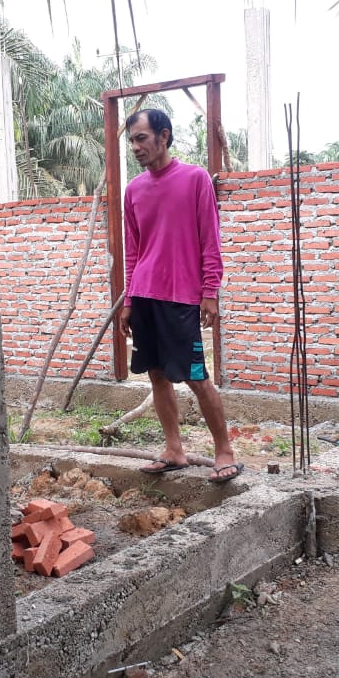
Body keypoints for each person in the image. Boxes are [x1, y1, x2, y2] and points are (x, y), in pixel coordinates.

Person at [117, 108, 241, 484]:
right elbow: (133, 249)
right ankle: (174, 449)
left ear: (164, 136)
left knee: (196, 376)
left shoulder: (195, 179)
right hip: (144, 296)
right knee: (156, 375)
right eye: (132, 141)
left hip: (181, 298)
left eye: (141, 138)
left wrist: (210, 292)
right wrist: (128, 301)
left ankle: (224, 450)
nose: (136, 147)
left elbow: (210, 241)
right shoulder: (134, 190)